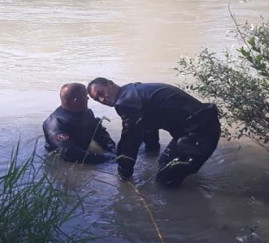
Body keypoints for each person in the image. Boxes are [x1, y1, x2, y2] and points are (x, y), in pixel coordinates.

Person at [87, 78, 220, 186]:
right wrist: (151, 150)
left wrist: (123, 174)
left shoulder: (125, 102)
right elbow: (148, 125)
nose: (102, 99)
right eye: (97, 99)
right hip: (197, 128)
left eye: (101, 93)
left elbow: (130, 140)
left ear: (110, 84)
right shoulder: (134, 90)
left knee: (164, 180)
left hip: (199, 133)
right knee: (164, 164)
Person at [42, 83, 116, 163]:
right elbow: (70, 152)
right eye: (85, 96)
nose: (88, 98)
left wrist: (113, 150)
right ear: (76, 101)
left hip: (84, 153)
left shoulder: (88, 113)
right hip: (62, 161)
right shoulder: (55, 124)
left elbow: (100, 134)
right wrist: (106, 158)